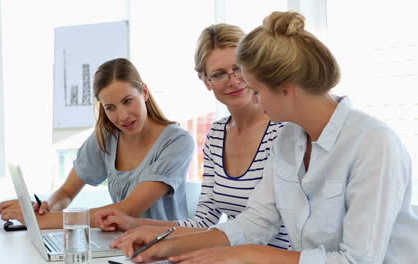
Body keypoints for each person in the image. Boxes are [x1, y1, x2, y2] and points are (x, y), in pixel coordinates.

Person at [110, 11, 418, 264]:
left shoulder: (374, 144)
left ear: (286, 88)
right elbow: (256, 221)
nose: (254, 99)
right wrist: (167, 244)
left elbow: (358, 260)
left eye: (256, 90)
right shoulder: (289, 141)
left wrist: (246, 254)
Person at [94, 24, 290, 250]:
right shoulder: (217, 135)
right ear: (206, 80)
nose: (233, 81)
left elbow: (263, 228)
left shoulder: (283, 130)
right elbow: (203, 223)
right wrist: (133, 224)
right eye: (219, 74)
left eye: (239, 68)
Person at [0, 58, 194, 229]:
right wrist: (45, 208)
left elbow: (129, 209)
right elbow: (66, 192)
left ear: (144, 92)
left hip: (166, 253)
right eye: (110, 107)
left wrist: (42, 222)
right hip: (121, 246)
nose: (122, 116)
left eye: (128, 101)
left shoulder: (177, 142)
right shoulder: (107, 137)